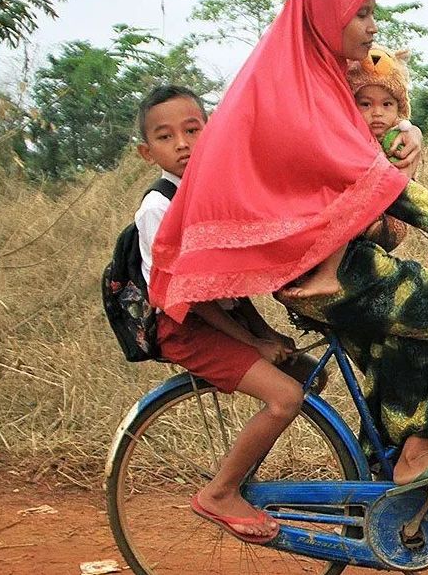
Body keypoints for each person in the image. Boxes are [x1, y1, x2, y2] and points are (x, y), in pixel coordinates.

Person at [147, 0, 428, 541]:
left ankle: (390, 480)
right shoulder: (308, 91)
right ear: (327, 16)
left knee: (406, 347)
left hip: (317, 271)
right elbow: (378, 182)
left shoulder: (310, 77)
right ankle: (418, 453)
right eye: (362, 12)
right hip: (333, 276)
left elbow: (371, 189)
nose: (373, 26)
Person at [135, 84, 317, 545]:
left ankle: (246, 474)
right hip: (187, 327)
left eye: (192, 130)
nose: (182, 143)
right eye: (165, 136)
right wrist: (254, 341)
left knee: (308, 373)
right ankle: (221, 492)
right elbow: (190, 295)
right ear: (146, 151)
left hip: (227, 313)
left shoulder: (213, 189)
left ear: (210, 131)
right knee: (285, 398)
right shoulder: (158, 208)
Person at [283, 44, 416, 299]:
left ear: (399, 109)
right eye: (365, 104)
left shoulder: (399, 138)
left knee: (349, 197)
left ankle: (329, 274)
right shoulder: (349, 135)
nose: (377, 113)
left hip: (387, 217)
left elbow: (400, 189)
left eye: (387, 104)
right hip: (363, 218)